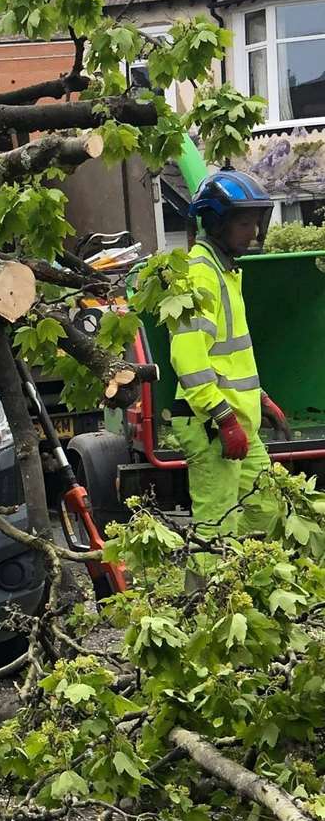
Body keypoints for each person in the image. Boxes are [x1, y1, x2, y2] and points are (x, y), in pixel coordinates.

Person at [169, 169, 290, 544]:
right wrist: (223, 418)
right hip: (211, 423)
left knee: (269, 508)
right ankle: (208, 599)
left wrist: (260, 397)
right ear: (216, 223)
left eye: (256, 222)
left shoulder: (225, 271)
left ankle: (246, 586)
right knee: (215, 525)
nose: (253, 232)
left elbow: (228, 356)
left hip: (236, 417)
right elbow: (188, 359)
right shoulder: (199, 274)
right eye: (243, 223)